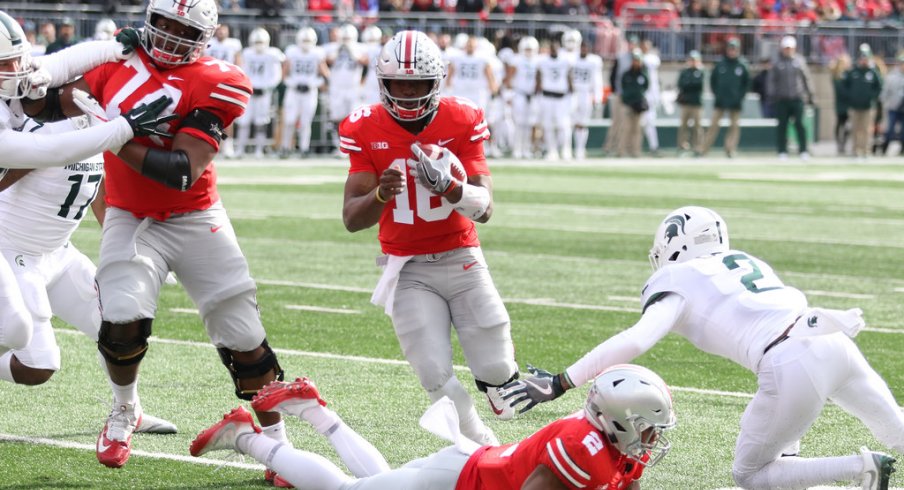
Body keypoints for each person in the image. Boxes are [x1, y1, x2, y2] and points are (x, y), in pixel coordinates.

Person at [502, 205, 903, 490]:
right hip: (830, 336)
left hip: (789, 359)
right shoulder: (745, 260)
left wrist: (560, 381)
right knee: (893, 427)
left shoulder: (680, 276)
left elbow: (638, 338)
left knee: (749, 474)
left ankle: (860, 469)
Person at [56, 0, 291, 481]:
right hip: (131, 214)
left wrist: (113, 135)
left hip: (194, 215)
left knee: (245, 339)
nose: (167, 34)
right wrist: (72, 66)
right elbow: (62, 99)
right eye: (161, 22)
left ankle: (279, 445)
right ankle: (125, 411)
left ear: (205, 36)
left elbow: (181, 172)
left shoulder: (218, 79)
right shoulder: (116, 59)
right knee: (120, 320)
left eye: (182, 27)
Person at [339, 30, 519, 447]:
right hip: (407, 266)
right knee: (432, 370)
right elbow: (351, 218)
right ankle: (480, 441)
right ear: (382, 84)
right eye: (399, 83)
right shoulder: (364, 127)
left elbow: (486, 208)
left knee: (499, 374)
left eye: (417, 84)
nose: (407, 93)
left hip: (461, 254)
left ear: (437, 82)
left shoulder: (462, 118)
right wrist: (380, 194)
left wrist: (451, 189)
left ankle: (494, 391)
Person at [190, 364, 677, 489]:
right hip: (456, 480)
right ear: (617, 419)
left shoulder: (613, 447)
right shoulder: (582, 449)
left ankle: (317, 413)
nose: (651, 441)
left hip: (468, 468)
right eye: (648, 428)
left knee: (367, 485)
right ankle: (245, 436)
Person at [0, 11, 173, 357]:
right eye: (8, 63)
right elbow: (47, 150)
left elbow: (56, 64)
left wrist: (113, 48)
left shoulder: (26, 91)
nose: (19, 68)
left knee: (118, 326)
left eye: (17, 58)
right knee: (17, 331)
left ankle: (127, 409)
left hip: (54, 247)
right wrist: (121, 129)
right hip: (12, 244)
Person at [0, 116, 176, 435]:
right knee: (38, 366)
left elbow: (100, 195)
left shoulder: (95, 123)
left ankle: (128, 409)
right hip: (12, 253)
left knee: (120, 324)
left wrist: (135, 248)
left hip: (59, 253)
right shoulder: (40, 130)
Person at [236, 27, 285, 159]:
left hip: (264, 93)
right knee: (244, 121)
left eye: (261, 42)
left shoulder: (272, 54)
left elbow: (277, 75)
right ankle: (240, 149)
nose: (259, 46)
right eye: (256, 42)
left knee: (261, 123)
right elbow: (241, 70)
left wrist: (267, 87)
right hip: (249, 92)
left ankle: (259, 150)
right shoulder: (247, 53)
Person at [280, 27, 328, 159]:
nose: (306, 43)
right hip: (294, 90)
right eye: (304, 40)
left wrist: (318, 83)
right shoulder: (292, 51)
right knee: (289, 120)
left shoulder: (318, 52)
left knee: (306, 122)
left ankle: (304, 148)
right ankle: (285, 147)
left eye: (308, 40)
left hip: (310, 91)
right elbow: (284, 72)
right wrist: (290, 82)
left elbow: (324, 72)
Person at [699, 38, 749, 158]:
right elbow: (713, 81)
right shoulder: (720, 64)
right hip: (720, 100)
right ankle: (704, 149)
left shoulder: (742, 65)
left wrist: (740, 96)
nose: (732, 51)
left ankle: (730, 149)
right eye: (730, 49)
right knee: (713, 125)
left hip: (735, 101)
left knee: (734, 127)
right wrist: (717, 93)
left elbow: (746, 83)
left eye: (734, 49)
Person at [767, 36, 814, 161]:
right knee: (782, 126)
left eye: (790, 48)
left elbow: (806, 78)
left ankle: (803, 150)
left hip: (797, 98)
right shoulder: (777, 62)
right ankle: (782, 151)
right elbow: (771, 81)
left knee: (800, 125)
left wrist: (810, 94)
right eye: (786, 48)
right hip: (782, 99)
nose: (788, 50)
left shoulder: (799, 61)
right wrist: (772, 95)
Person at [325, 24, 368, 154]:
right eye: (344, 37)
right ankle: (338, 146)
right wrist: (338, 50)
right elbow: (328, 61)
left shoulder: (360, 47)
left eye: (348, 37)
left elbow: (365, 62)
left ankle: (354, 145)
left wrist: (352, 51)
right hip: (337, 87)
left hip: (353, 87)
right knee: (336, 117)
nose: (346, 40)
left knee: (353, 118)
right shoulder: (333, 47)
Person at [204, 24, 243, 158]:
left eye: (224, 30)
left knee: (227, 117)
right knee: (208, 115)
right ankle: (212, 144)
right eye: (219, 30)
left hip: (227, 83)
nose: (221, 32)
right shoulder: (209, 43)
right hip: (210, 83)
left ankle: (228, 146)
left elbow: (238, 63)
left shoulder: (233, 44)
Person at [844, 44, 883, 161]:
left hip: (868, 106)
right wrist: (850, 97)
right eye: (862, 58)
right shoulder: (853, 71)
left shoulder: (873, 72)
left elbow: (880, 86)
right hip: (854, 106)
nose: (864, 61)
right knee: (855, 129)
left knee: (866, 130)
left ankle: (866, 151)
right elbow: (844, 85)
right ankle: (855, 151)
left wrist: (872, 97)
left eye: (866, 58)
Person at [504, 35, 540, 160]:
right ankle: (517, 148)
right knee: (518, 123)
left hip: (532, 95)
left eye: (530, 49)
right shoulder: (517, 60)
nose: (528, 52)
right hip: (519, 93)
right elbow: (509, 78)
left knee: (529, 124)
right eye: (526, 49)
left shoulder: (538, 60)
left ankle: (526, 148)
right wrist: (509, 95)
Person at [536, 41, 573, 161]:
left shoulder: (566, 61)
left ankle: (566, 149)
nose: (554, 51)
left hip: (561, 97)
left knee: (564, 125)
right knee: (548, 125)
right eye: (552, 48)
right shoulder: (542, 61)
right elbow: (538, 77)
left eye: (555, 48)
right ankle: (552, 150)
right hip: (547, 96)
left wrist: (572, 93)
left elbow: (569, 76)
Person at [570, 41, 603, 160]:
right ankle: (569, 149)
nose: (584, 49)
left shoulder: (594, 61)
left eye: (586, 47)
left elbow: (597, 80)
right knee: (571, 122)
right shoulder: (572, 59)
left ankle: (580, 149)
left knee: (583, 123)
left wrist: (597, 97)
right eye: (582, 47)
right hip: (573, 93)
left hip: (585, 93)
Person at [619, 49, 648, 159]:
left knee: (637, 129)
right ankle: (622, 151)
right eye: (635, 60)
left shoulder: (643, 74)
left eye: (638, 60)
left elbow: (646, 87)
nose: (636, 62)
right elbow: (624, 87)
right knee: (625, 128)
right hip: (627, 104)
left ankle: (636, 151)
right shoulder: (626, 74)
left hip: (638, 105)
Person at [676, 50, 704, 156]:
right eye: (691, 60)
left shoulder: (700, 71)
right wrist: (691, 84)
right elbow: (681, 85)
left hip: (696, 103)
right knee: (683, 125)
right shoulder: (684, 72)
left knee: (697, 126)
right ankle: (682, 145)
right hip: (686, 102)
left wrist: (690, 84)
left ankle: (697, 147)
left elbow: (698, 85)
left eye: (694, 60)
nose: (692, 62)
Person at [878, 52, 904, 156]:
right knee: (890, 129)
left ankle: (902, 149)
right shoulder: (892, 76)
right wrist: (884, 103)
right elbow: (885, 92)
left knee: (903, 131)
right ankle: (885, 148)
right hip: (893, 107)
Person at [830, 54, 852, 156]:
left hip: (848, 103)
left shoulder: (849, 74)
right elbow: (841, 90)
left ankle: (844, 143)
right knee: (840, 123)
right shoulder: (836, 75)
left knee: (848, 125)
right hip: (840, 103)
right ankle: (839, 143)